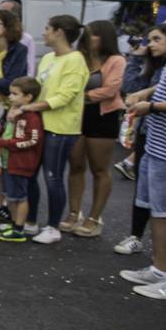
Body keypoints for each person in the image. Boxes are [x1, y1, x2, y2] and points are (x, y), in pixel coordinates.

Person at [15, 15, 91, 245]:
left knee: (53, 178)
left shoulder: (76, 60)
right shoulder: (48, 57)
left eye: (47, 28)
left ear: (59, 32)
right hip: (38, 124)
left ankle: (53, 226)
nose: (44, 32)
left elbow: (65, 97)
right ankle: (30, 221)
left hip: (61, 129)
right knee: (29, 174)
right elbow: (38, 88)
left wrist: (28, 106)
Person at [62, 20, 125, 239]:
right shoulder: (80, 57)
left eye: (94, 35)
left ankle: (95, 217)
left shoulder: (116, 60)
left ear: (104, 38)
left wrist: (78, 96)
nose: (89, 39)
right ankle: (74, 211)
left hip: (102, 116)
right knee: (76, 164)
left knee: (100, 168)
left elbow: (111, 89)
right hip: (77, 116)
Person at [114, 26, 166, 254]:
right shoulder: (157, 65)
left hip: (160, 140)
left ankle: (161, 269)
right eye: (149, 40)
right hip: (151, 134)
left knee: (160, 206)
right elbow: (130, 88)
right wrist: (136, 58)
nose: (150, 44)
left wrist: (152, 105)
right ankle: (139, 240)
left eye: (157, 39)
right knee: (146, 194)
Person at [119, 55, 166, 299]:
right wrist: (146, 93)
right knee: (156, 211)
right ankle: (159, 270)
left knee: (164, 213)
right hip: (155, 145)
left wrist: (152, 107)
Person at [0, 78, 45, 242]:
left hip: (21, 162)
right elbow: (10, 133)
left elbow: (32, 140)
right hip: (9, 161)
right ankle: (14, 223)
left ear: (28, 97)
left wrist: (5, 143)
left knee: (20, 197)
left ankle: (19, 229)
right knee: (11, 195)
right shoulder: (14, 113)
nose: (11, 96)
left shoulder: (31, 117)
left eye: (15, 94)